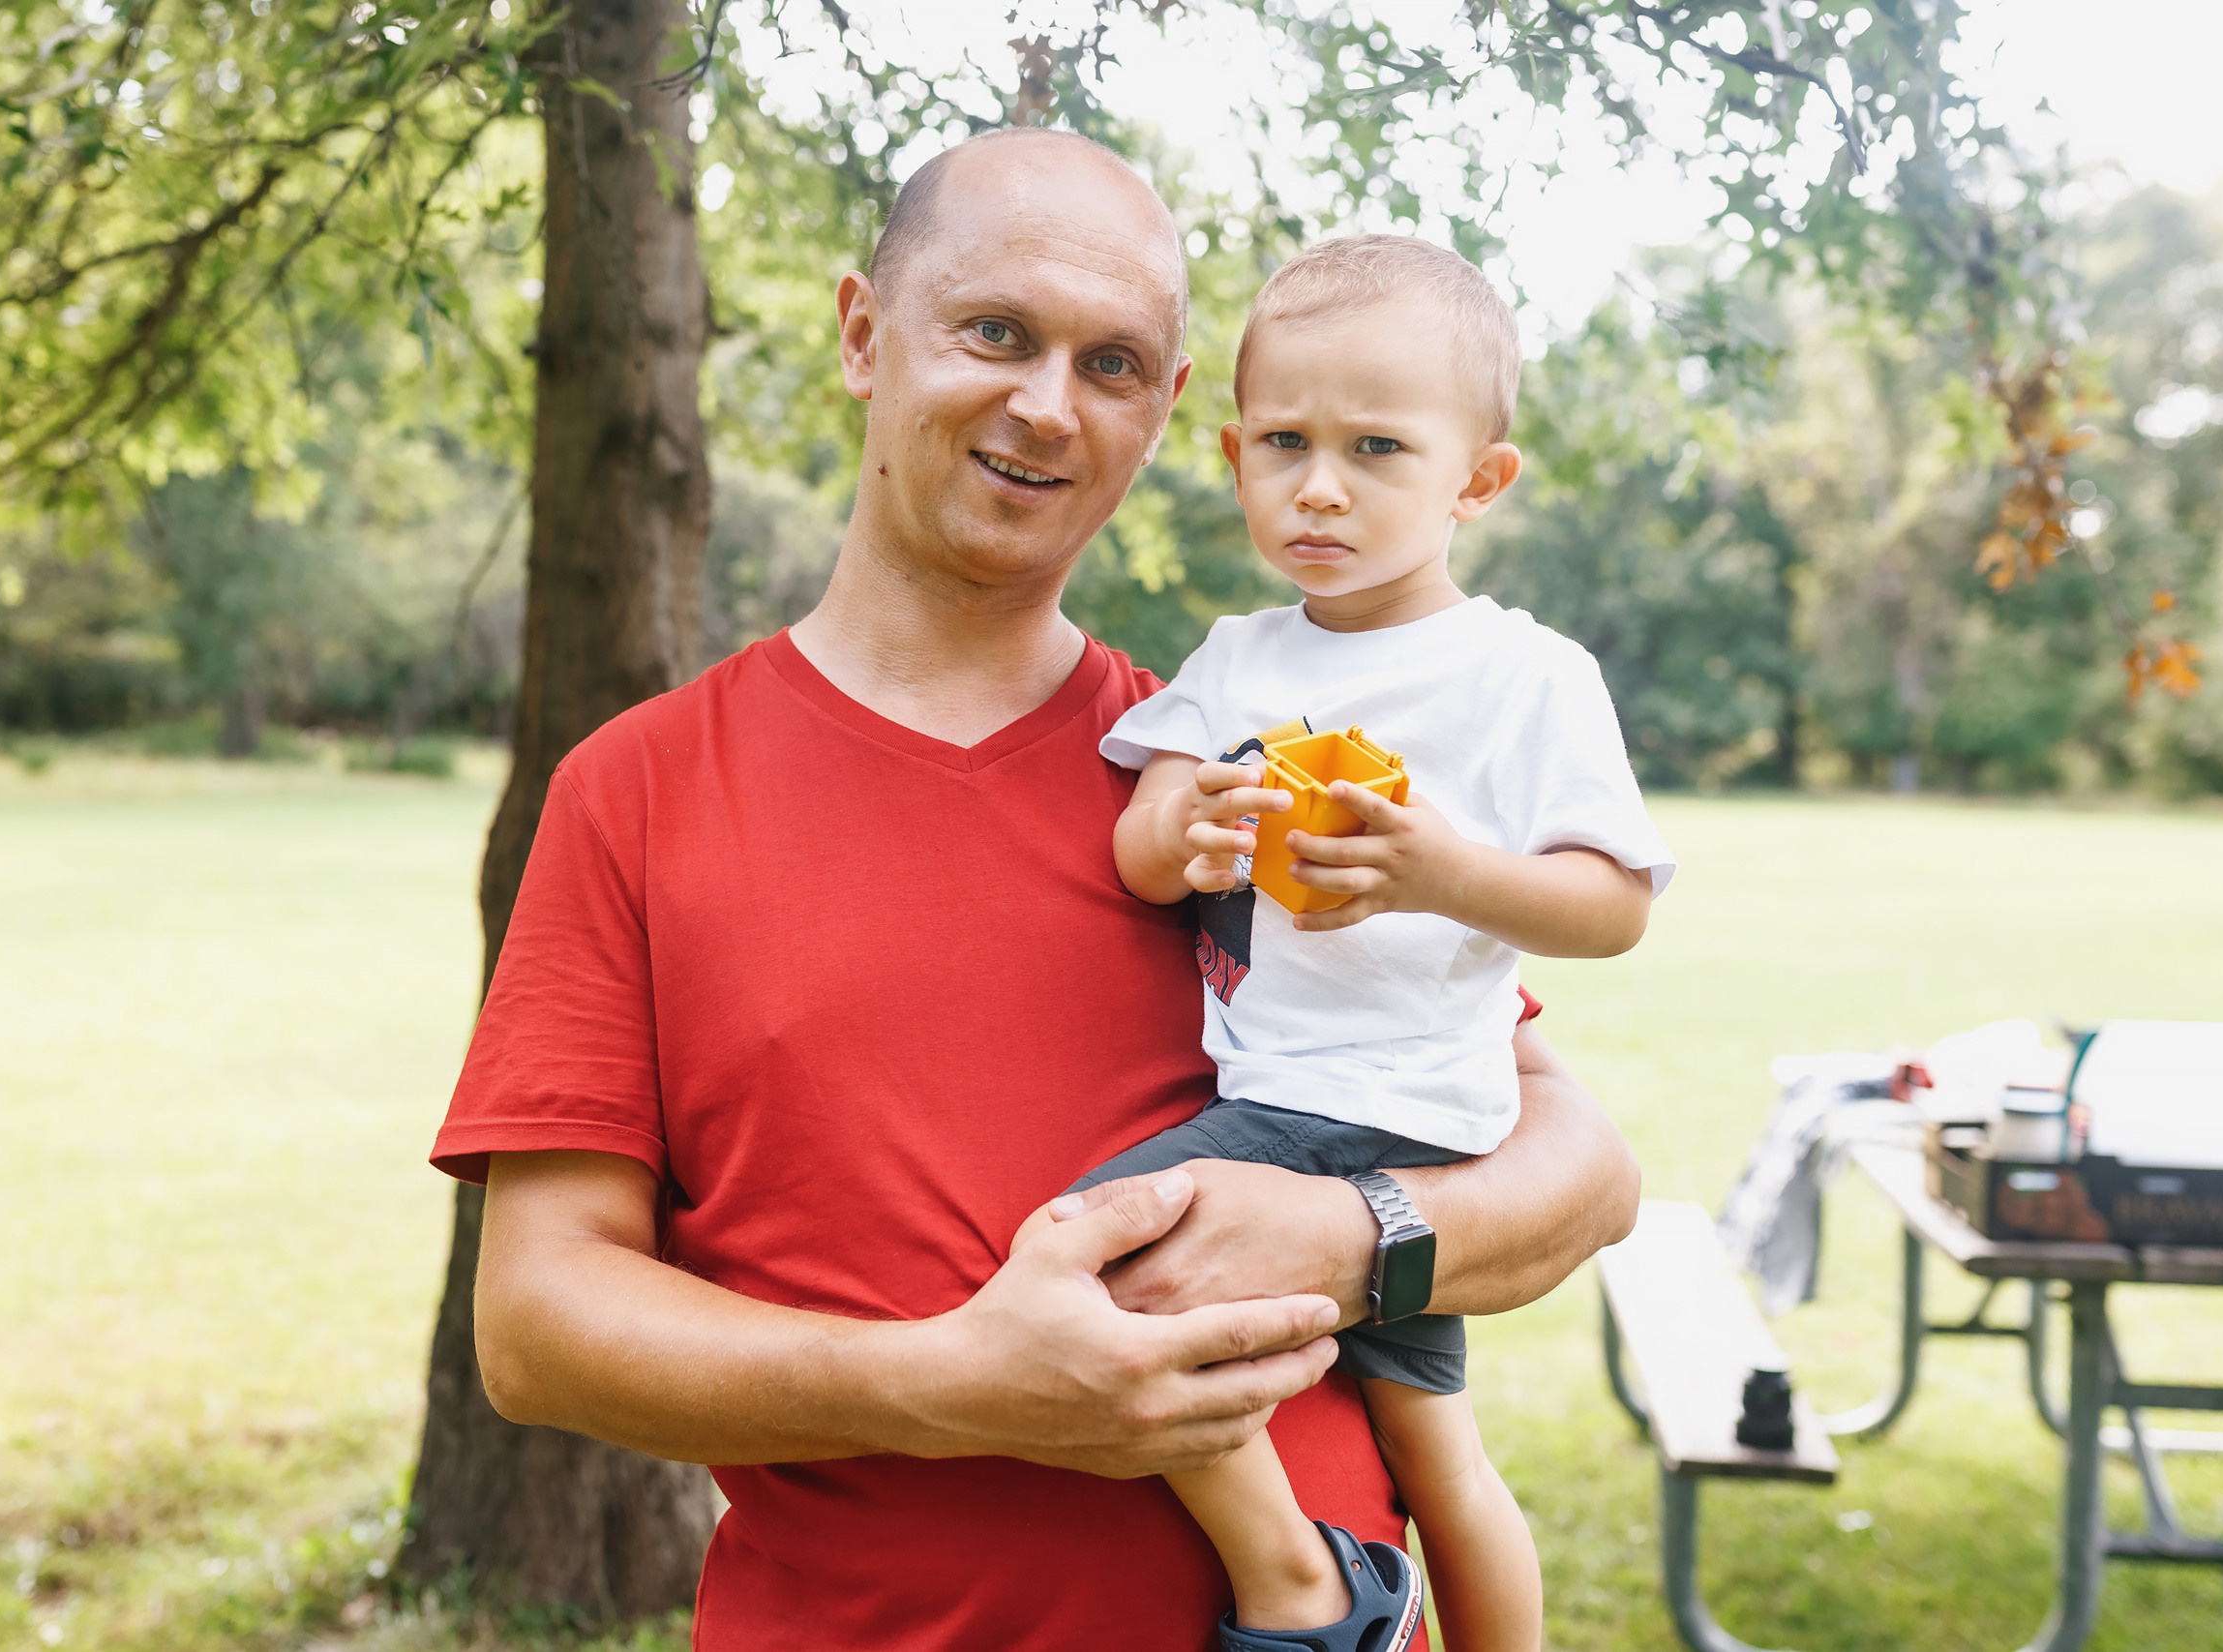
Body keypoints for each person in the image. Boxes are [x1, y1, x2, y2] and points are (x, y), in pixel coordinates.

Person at [430, 127, 1640, 1652]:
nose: (1047, 406)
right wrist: (942, 1386)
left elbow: (1582, 1170)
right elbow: (539, 1333)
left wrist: (1347, 1237)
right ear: (866, 335)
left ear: (1170, 417)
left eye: (1116, 364)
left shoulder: (1240, 768)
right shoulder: (640, 790)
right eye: (995, 332)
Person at [1060, 234, 1674, 1652]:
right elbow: (1142, 837)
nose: (1319, 485)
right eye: (1284, 442)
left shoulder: (1524, 675)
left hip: (1386, 1116)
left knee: (1093, 1270)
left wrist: (1444, 871)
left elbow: (1614, 906)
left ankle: (1297, 1588)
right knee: (1435, 1454)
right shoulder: (1243, 661)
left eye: (1378, 448)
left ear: (1478, 480)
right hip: (1304, 1105)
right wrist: (1188, 828)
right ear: (1232, 455)